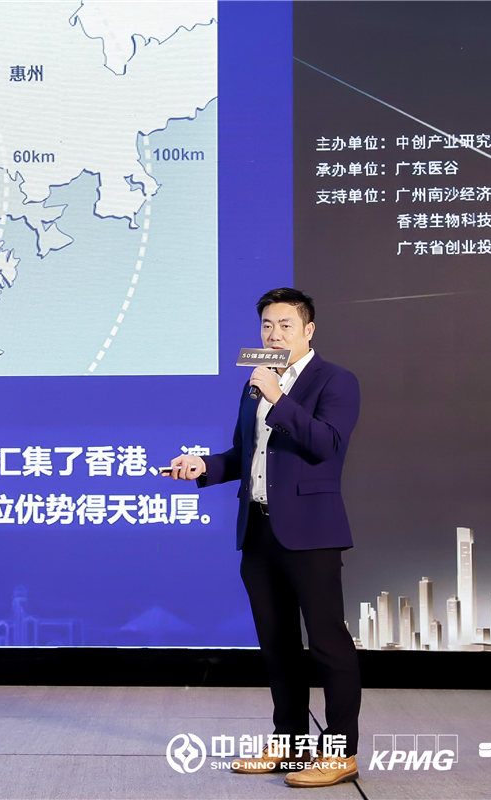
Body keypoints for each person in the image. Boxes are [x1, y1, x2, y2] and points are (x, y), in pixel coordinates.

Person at [166, 287, 361, 788]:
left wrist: (279, 398)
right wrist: (204, 466)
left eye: (285, 326)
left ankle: (339, 753)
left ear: (308, 330)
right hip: (258, 530)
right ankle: (289, 743)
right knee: (277, 645)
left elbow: (327, 445)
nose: (274, 335)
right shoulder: (255, 384)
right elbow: (246, 455)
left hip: (312, 534)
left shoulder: (335, 380)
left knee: (328, 645)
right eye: (267, 326)